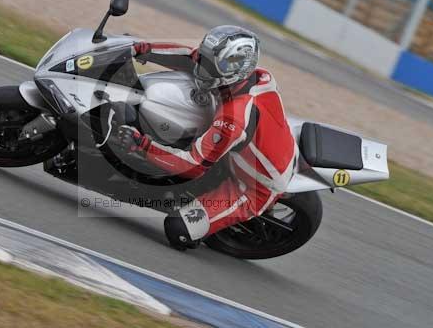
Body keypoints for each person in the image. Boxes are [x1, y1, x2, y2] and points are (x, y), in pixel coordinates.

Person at [117, 26, 298, 250]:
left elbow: (192, 165)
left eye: (210, 66)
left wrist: (141, 145)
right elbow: (189, 57)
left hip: (252, 186)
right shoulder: (255, 74)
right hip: (250, 149)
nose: (201, 68)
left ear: (233, 71)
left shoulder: (234, 118)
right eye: (206, 59)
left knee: (178, 230)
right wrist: (141, 48)